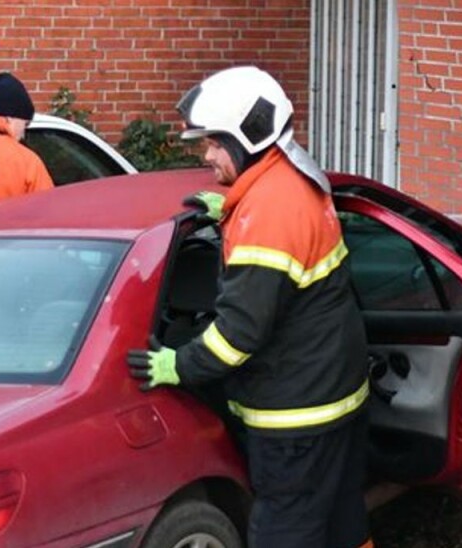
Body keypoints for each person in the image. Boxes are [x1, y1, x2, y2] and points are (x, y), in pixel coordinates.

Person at [126, 66, 372, 548]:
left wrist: (179, 363)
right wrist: (231, 210)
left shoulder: (269, 213)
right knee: (343, 523)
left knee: (284, 531)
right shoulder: (291, 176)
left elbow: (237, 336)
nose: (207, 155)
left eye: (215, 143)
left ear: (247, 136)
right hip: (338, 395)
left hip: (297, 418)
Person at [0, 72, 53, 204]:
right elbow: (47, 211)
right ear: (9, 118)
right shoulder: (27, 163)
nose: (23, 135)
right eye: (24, 124)